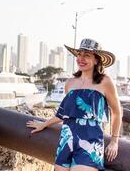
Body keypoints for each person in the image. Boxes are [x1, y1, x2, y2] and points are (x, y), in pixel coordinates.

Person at [27, 38, 122, 171]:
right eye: (79, 54)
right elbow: (65, 113)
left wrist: (114, 141)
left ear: (96, 60)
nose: (80, 59)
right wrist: (43, 124)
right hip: (66, 138)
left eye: (86, 55)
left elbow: (117, 112)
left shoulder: (105, 82)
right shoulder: (70, 83)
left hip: (91, 140)